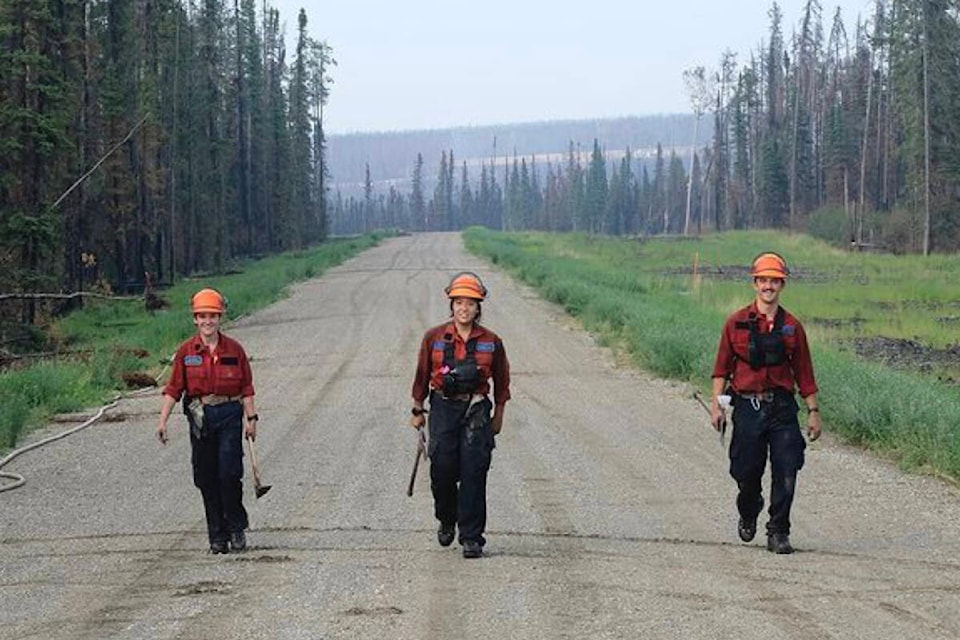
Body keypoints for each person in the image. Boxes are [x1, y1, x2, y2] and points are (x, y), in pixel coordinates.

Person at [710, 252, 821, 554]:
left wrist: (813, 411)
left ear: (782, 285)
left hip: (782, 408)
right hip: (748, 408)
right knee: (745, 472)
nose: (768, 286)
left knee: (787, 468)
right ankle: (749, 508)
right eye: (763, 280)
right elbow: (721, 369)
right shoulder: (735, 323)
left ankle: (778, 531)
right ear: (755, 283)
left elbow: (804, 373)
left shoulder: (792, 327)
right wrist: (717, 406)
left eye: (774, 281)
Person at [410, 272, 511, 558]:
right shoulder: (434, 338)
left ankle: (471, 537)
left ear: (478, 308)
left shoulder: (492, 341)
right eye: (459, 303)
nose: (464, 309)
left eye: (470, 303)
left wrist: (499, 414)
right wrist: (417, 409)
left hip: (477, 408)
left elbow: (502, 381)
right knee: (442, 469)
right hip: (443, 407)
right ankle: (446, 518)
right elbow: (421, 375)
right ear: (451, 306)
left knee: (474, 471)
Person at [157, 288, 259, 554]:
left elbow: (246, 387)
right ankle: (217, 536)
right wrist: (163, 421)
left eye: (212, 316)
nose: (207, 321)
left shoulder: (235, 350)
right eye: (202, 316)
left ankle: (236, 527)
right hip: (201, 417)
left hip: (230, 414)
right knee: (206, 477)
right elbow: (174, 388)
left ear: (220, 317)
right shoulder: (186, 352)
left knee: (229, 474)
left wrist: (251, 419)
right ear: (195, 319)